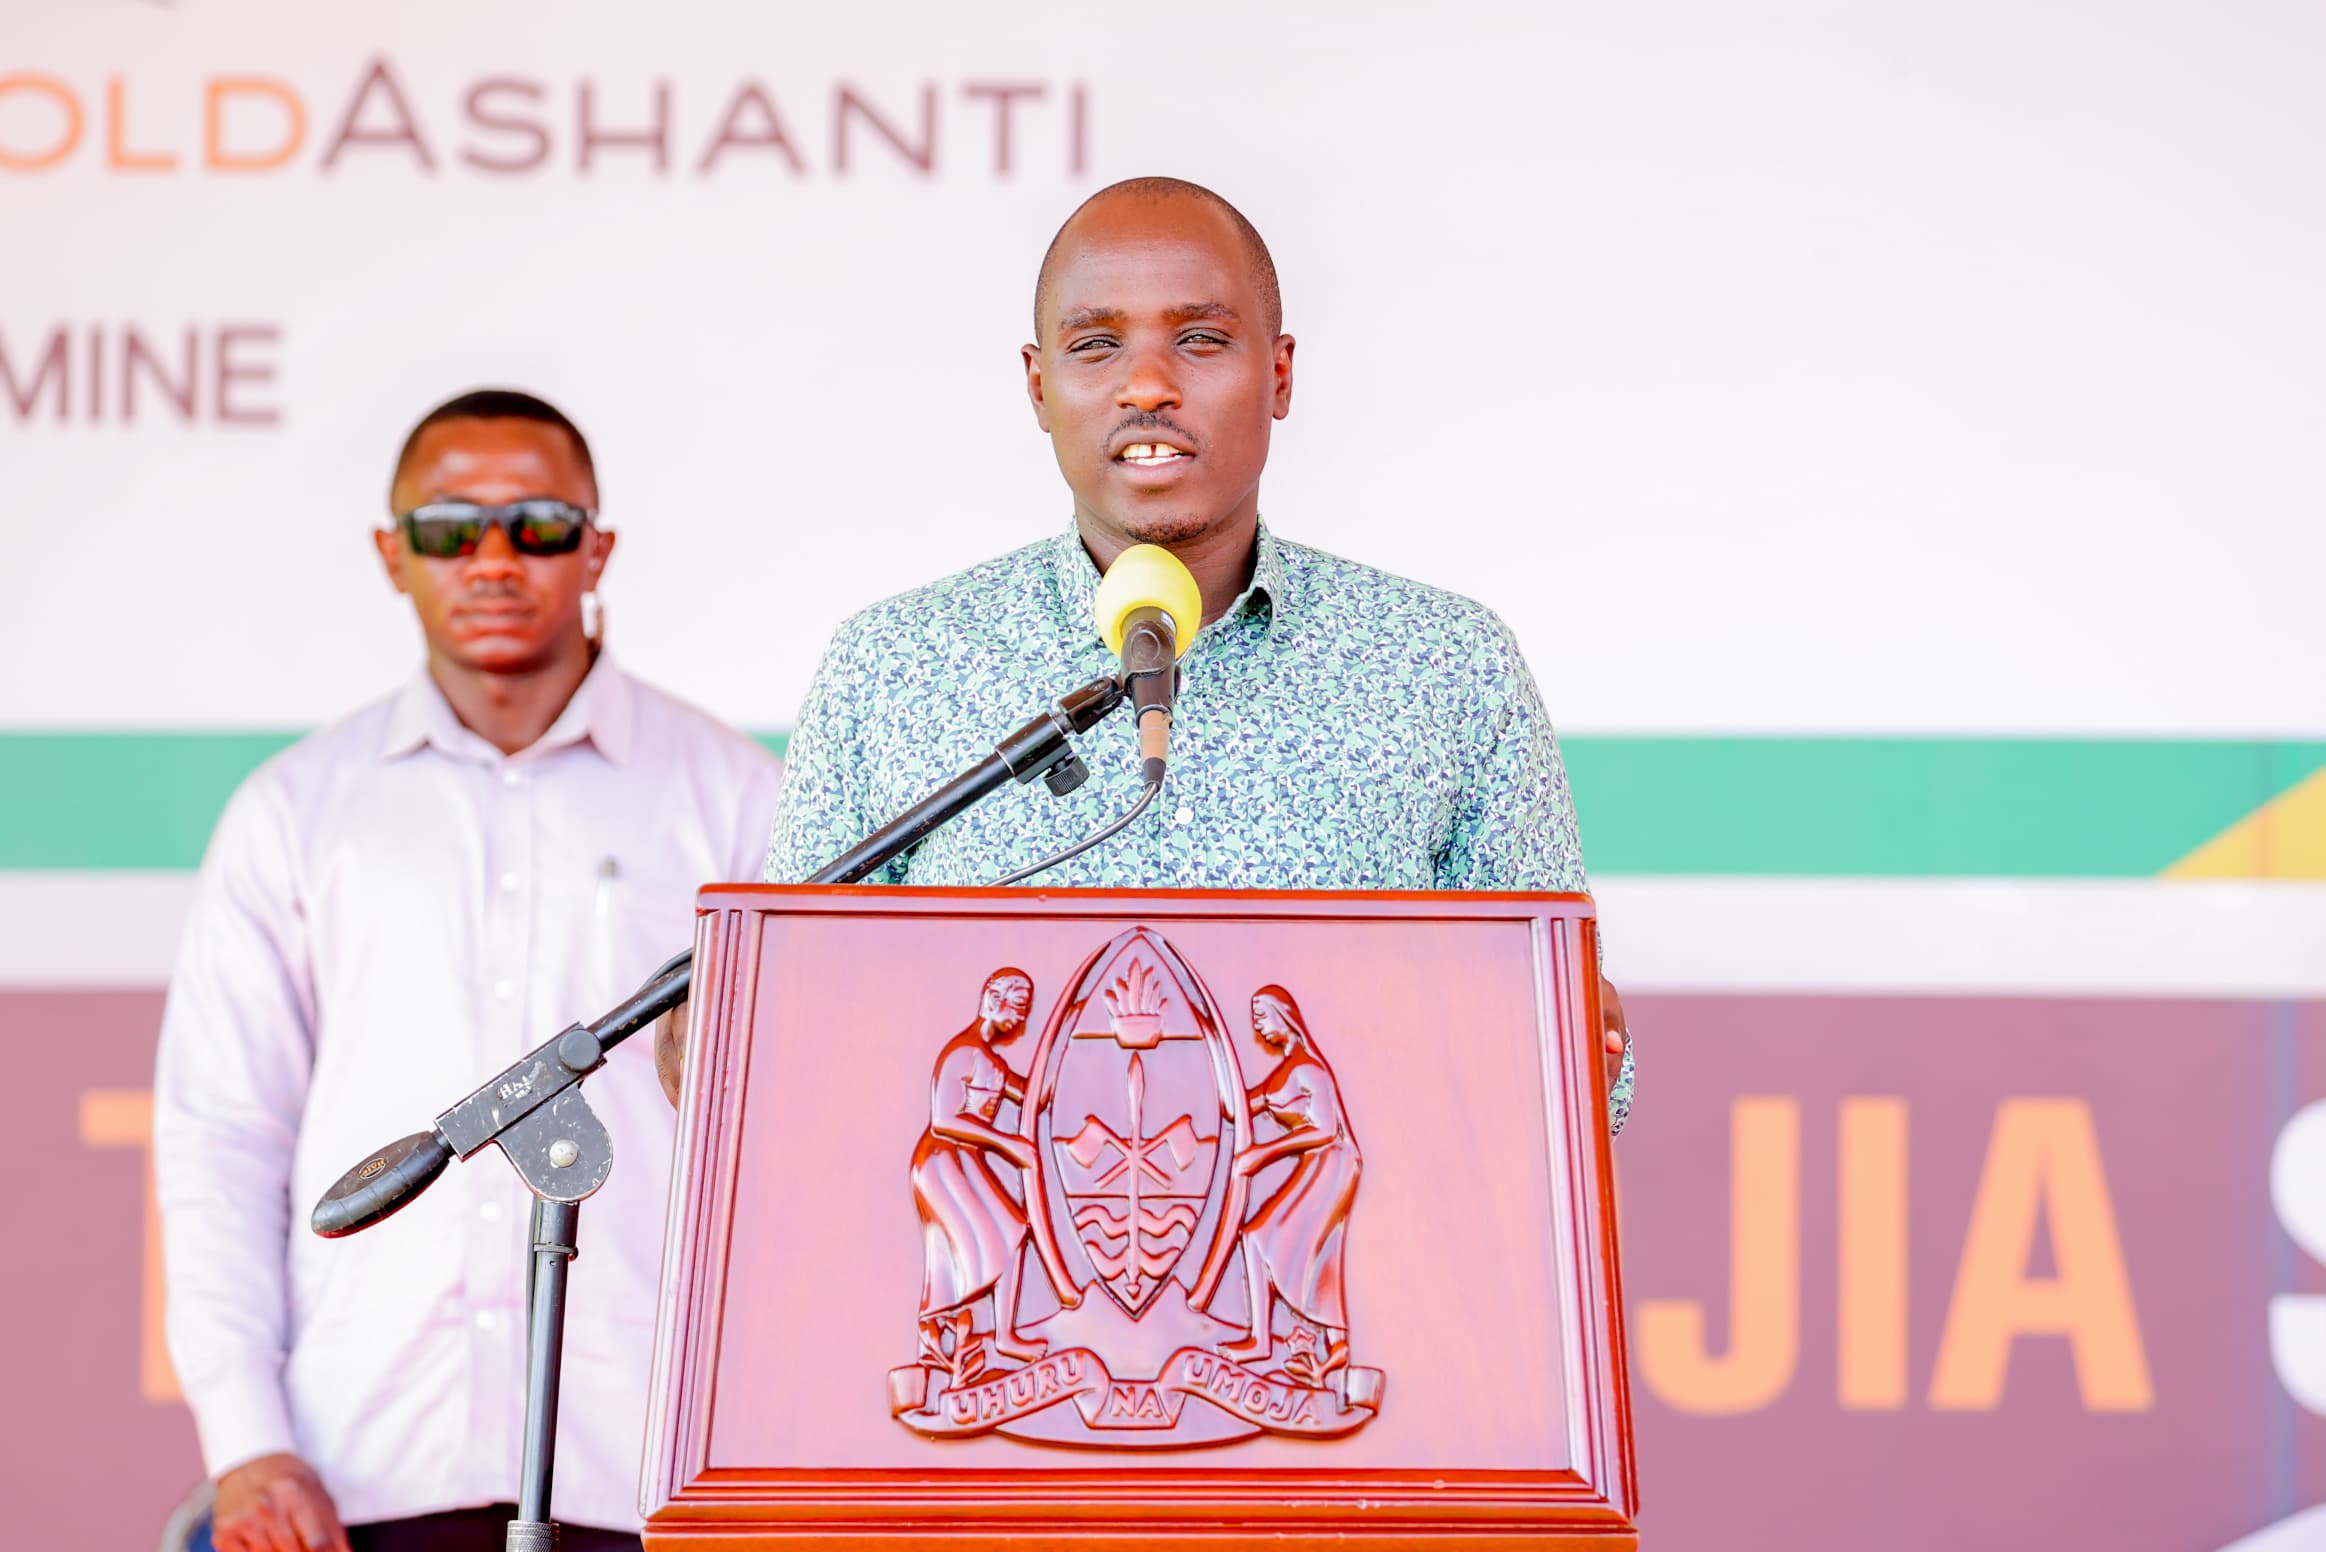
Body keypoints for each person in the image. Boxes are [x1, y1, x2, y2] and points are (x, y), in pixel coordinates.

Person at [661, 175, 1631, 1126]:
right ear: (1039, 387)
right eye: (1096, 345)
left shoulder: (1448, 666)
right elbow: (789, 1049)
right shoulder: (891, 667)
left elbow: (1580, 1079)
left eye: (1200, 339)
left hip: (1349, 1227)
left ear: (1280, 375)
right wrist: (732, 1037)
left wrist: (1573, 1040)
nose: (1150, 387)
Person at [154, 390, 782, 1552]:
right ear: (393, 554)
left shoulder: (736, 799)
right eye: (450, 528)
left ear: (597, 548)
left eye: (536, 525)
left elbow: (791, 1157)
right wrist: (248, 1443)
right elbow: (222, 1140)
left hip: (654, 1465)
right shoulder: (296, 812)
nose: (493, 560)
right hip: (361, 1468)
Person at [907, 967, 1044, 1384]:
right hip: (942, 1160)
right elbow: (944, 1120)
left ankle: (1005, 1336)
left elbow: (1034, 1095)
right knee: (981, 1237)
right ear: (992, 999)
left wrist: (1065, 1051)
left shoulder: (993, 1061)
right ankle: (949, 1334)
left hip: (966, 1158)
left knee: (1014, 1229)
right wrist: (1007, 1144)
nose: (1021, 1019)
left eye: (1025, 1012)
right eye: (1018, 1007)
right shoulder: (961, 1053)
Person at [1220, 986, 1361, 1386]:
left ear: (1285, 1016)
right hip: (1316, 1163)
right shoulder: (1282, 1072)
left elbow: (1324, 1129)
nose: (1257, 1027)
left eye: (1262, 1017)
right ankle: (1272, 1341)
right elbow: (1237, 1107)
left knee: (1304, 1245)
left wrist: (1264, 1153)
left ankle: (1310, 1344)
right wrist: (1215, 1051)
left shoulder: (1309, 1070)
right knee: (1263, 1237)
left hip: (1333, 1163)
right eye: (1253, 1020)